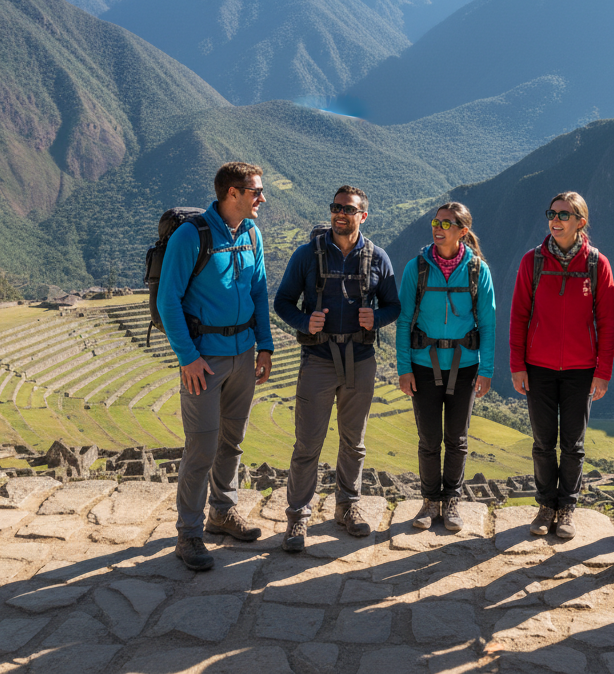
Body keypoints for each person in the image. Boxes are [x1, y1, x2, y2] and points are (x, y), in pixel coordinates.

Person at [157, 161, 274, 572]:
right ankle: (188, 533)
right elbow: (167, 300)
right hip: (204, 360)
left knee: (232, 441)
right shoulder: (193, 236)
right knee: (202, 446)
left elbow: (259, 292)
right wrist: (188, 357)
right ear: (232, 193)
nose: (262, 198)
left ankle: (222, 512)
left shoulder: (251, 235)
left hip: (244, 354)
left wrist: (265, 347)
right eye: (256, 191)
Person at [274, 185, 401, 552]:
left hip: (360, 360)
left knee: (354, 443)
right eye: (335, 207)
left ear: (363, 215)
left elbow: (393, 306)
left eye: (348, 209)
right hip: (318, 358)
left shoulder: (378, 258)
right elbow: (283, 301)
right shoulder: (307, 255)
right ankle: (297, 518)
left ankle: (348, 507)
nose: (339, 214)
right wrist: (303, 321)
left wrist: (374, 318)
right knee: (308, 443)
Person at [510, 192, 614, 539]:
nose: (555, 220)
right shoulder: (533, 261)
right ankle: (546, 506)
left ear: (580, 222)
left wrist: (602, 371)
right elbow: (519, 315)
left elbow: (607, 322)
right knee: (543, 442)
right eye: (552, 213)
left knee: (573, 444)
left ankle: (567, 507)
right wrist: (517, 364)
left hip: (580, 369)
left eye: (564, 215)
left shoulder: (597, 265)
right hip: (538, 366)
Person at [397, 202, 496, 531]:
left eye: (446, 223)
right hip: (423, 364)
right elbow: (403, 321)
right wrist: (403, 367)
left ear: (462, 232)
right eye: (436, 221)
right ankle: (429, 502)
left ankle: (451, 501)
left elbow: (489, 324)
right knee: (429, 439)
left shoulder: (477, 271)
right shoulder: (417, 268)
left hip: (465, 365)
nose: (438, 227)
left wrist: (486, 370)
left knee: (457, 438)